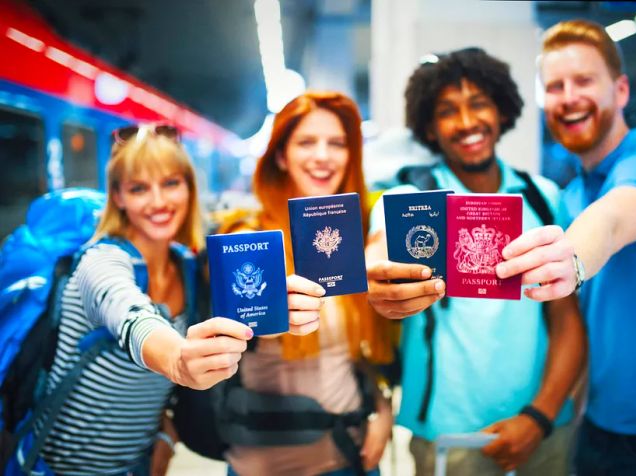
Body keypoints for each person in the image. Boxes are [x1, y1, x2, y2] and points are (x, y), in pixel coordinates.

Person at [17, 124, 320, 476]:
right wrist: (177, 359)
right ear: (118, 197)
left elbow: (241, 326)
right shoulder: (100, 262)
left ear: (189, 188)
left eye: (171, 183)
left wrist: (279, 313)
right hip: (53, 468)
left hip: (139, 467)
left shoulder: (189, 268)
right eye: (139, 188)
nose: (159, 202)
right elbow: (129, 315)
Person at [364, 48, 586, 475]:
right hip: (451, 433)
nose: (466, 123)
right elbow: (381, 244)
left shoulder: (542, 197)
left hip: (544, 426)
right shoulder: (414, 200)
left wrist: (539, 417)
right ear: (429, 126)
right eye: (448, 111)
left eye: (479, 103)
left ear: (502, 109)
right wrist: (378, 277)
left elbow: (566, 318)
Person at [494, 19, 636, 475]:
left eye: (584, 81)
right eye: (554, 86)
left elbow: (613, 219)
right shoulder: (570, 195)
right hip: (595, 427)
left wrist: (570, 257)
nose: (568, 97)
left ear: (621, 90)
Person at [217, 91, 395, 476]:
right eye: (306, 142)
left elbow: (356, 356)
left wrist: (382, 409)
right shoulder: (244, 241)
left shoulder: (360, 242)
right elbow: (222, 351)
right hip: (264, 465)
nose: (323, 156)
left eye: (337, 143)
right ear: (280, 155)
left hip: (351, 458)